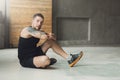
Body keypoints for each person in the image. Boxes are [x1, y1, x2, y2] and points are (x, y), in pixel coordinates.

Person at [18, 13, 83, 69]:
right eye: (37, 21)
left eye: (41, 22)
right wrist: (47, 35)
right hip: (26, 59)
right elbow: (42, 36)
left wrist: (52, 36)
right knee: (45, 59)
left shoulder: (40, 31)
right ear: (33, 21)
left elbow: (53, 38)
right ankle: (46, 62)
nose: (39, 23)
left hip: (35, 53)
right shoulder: (27, 30)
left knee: (50, 41)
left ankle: (69, 58)